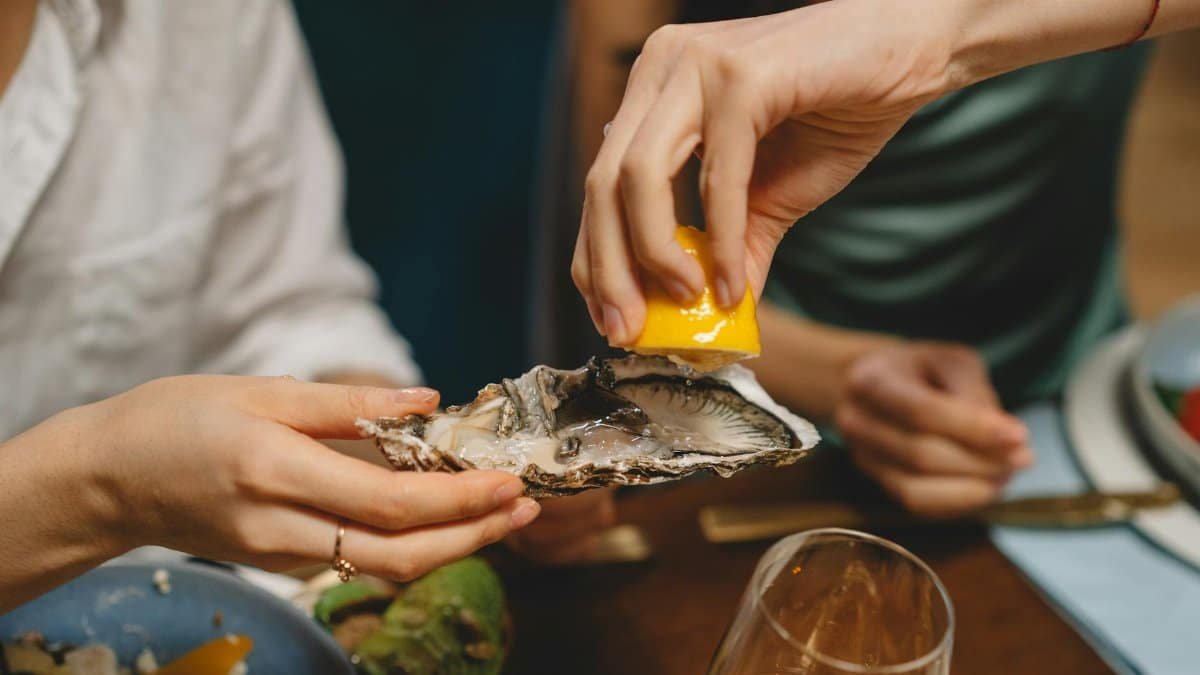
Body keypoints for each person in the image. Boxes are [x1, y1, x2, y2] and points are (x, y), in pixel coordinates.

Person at [0, 0, 540, 612]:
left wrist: (453, 462)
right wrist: (100, 489)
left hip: (160, 622)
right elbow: (119, 479)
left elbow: (284, 314)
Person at [572, 0, 1200, 515]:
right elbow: (637, 283)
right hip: (782, 417)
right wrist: (846, 379)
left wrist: (940, 32)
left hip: (1090, 385)